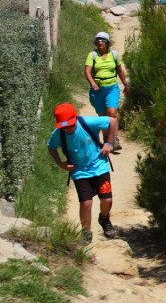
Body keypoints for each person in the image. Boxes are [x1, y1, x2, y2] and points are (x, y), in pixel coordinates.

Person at [46, 103, 118, 244]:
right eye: (64, 127)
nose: (68, 129)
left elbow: (113, 121)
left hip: (100, 166)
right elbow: (51, 147)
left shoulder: (87, 122)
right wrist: (60, 163)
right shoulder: (58, 134)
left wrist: (109, 143)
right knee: (86, 203)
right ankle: (86, 233)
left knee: (107, 200)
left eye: (71, 125)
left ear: (75, 118)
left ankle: (104, 219)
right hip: (79, 171)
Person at [84, 32, 128, 151]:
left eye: (102, 40)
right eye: (98, 40)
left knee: (112, 113)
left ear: (107, 43)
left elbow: (119, 70)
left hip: (112, 88)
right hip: (97, 90)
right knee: (102, 115)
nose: (100, 42)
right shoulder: (92, 55)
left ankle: (114, 138)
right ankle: (106, 137)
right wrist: (93, 84)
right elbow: (87, 71)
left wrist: (125, 84)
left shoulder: (113, 55)